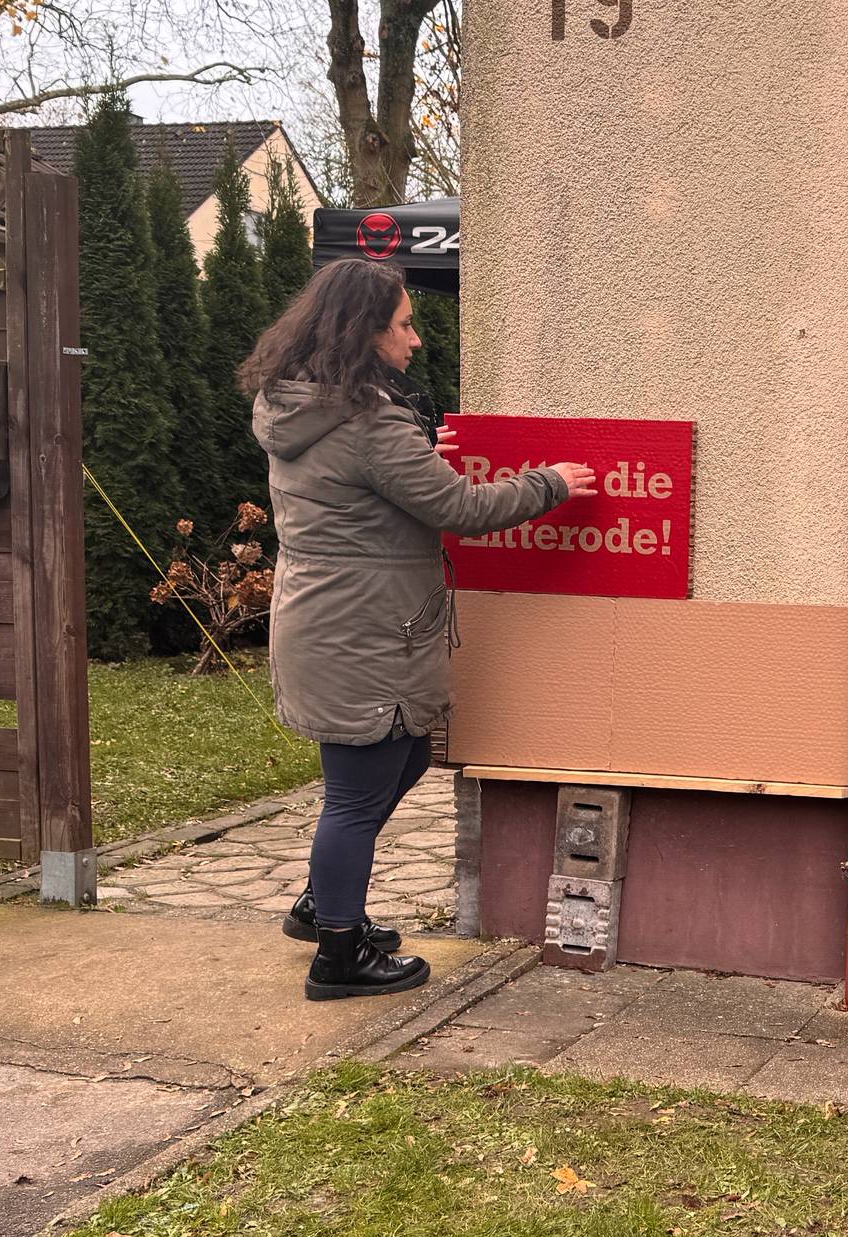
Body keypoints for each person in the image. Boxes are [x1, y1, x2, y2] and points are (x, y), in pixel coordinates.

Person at [241, 259, 600, 1001]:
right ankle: (337, 955)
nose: (415, 340)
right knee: (357, 792)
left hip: (340, 619)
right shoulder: (368, 421)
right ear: (364, 333)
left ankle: (324, 907)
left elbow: (369, 490)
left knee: (400, 761)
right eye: (404, 324)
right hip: (359, 628)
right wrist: (553, 484)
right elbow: (463, 510)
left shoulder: (310, 406)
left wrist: (412, 467)